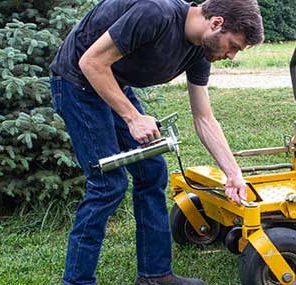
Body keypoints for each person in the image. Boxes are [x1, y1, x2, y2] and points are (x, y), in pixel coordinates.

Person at [48, 0, 264, 284]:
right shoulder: (155, 14)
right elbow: (90, 62)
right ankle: (77, 281)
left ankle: (155, 275)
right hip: (77, 81)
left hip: (111, 81)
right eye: (234, 46)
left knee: (152, 172)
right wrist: (133, 117)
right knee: (107, 185)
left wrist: (234, 174)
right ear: (217, 23)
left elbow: (204, 118)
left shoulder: (200, 51)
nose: (232, 55)